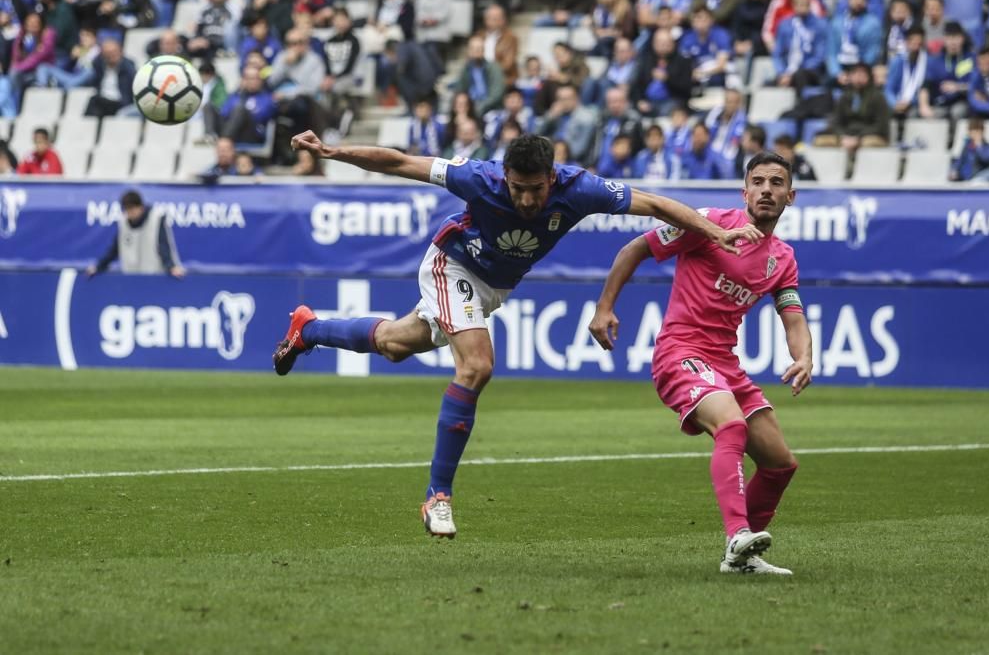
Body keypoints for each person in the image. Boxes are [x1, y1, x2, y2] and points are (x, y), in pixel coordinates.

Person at [274, 132, 762, 538]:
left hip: (494, 286)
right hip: (453, 265)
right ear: (504, 177)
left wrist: (715, 233)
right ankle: (436, 496)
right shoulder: (478, 178)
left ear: (553, 178)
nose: (526, 200)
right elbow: (401, 161)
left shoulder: (582, 189)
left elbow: (654, 203)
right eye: (517, 189)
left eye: (536, 190)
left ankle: (308, 328)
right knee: (477, 366)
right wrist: (334, 152)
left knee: (395, 344)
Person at [588, 151, 811, 575]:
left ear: (791, 196)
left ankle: (742, 558)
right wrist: (604, 307)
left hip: (725, 364)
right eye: (758, 182)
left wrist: (804, 356)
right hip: (680, 352)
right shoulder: (708, 223)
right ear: (744, 191)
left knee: (781, 464)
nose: (767, 189)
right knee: (731, 424)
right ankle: (737, 532)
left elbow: (793, 316)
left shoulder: (782, 258)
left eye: (776, 183)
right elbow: (635, 248)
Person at [86, 190, 185, 277]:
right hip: (131, 278)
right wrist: (98, 266)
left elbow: (164, 246)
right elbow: (114, 250)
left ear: (141, 207)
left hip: (154, 277)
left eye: (132, 209)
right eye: (127, 210)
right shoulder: (123, 223)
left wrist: (171, 267)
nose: (130, 214)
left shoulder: (157, 219)